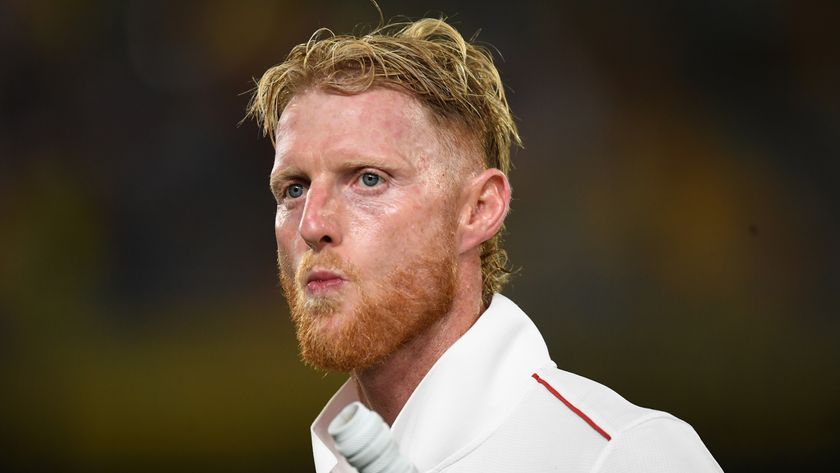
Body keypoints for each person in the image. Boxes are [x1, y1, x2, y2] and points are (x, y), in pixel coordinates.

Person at [247, 17, 723, 473]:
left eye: (369, 179)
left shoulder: (620, 458)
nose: (312, 224)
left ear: (478, 210)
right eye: (294, 189)